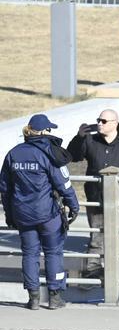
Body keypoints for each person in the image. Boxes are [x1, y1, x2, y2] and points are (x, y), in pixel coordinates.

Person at [0, 114, 79, 310]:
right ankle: (54, 297)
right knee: (53, 253)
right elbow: (64, 184)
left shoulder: (13, 153)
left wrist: (10, 214)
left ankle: (33, 297)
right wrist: (74, 206)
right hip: (48, 213)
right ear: (44, 131)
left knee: (29, 254)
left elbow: (4, 188)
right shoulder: (49, 153)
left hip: (23, 214)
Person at [67, 109, 119, 284]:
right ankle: (94, 271)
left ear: (115, 123)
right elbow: (72, 156)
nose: (99, 123)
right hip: (96, 199)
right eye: (98, 120)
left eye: (104, 121)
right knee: (97, 237)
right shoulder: (90, 140)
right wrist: (79, 137)